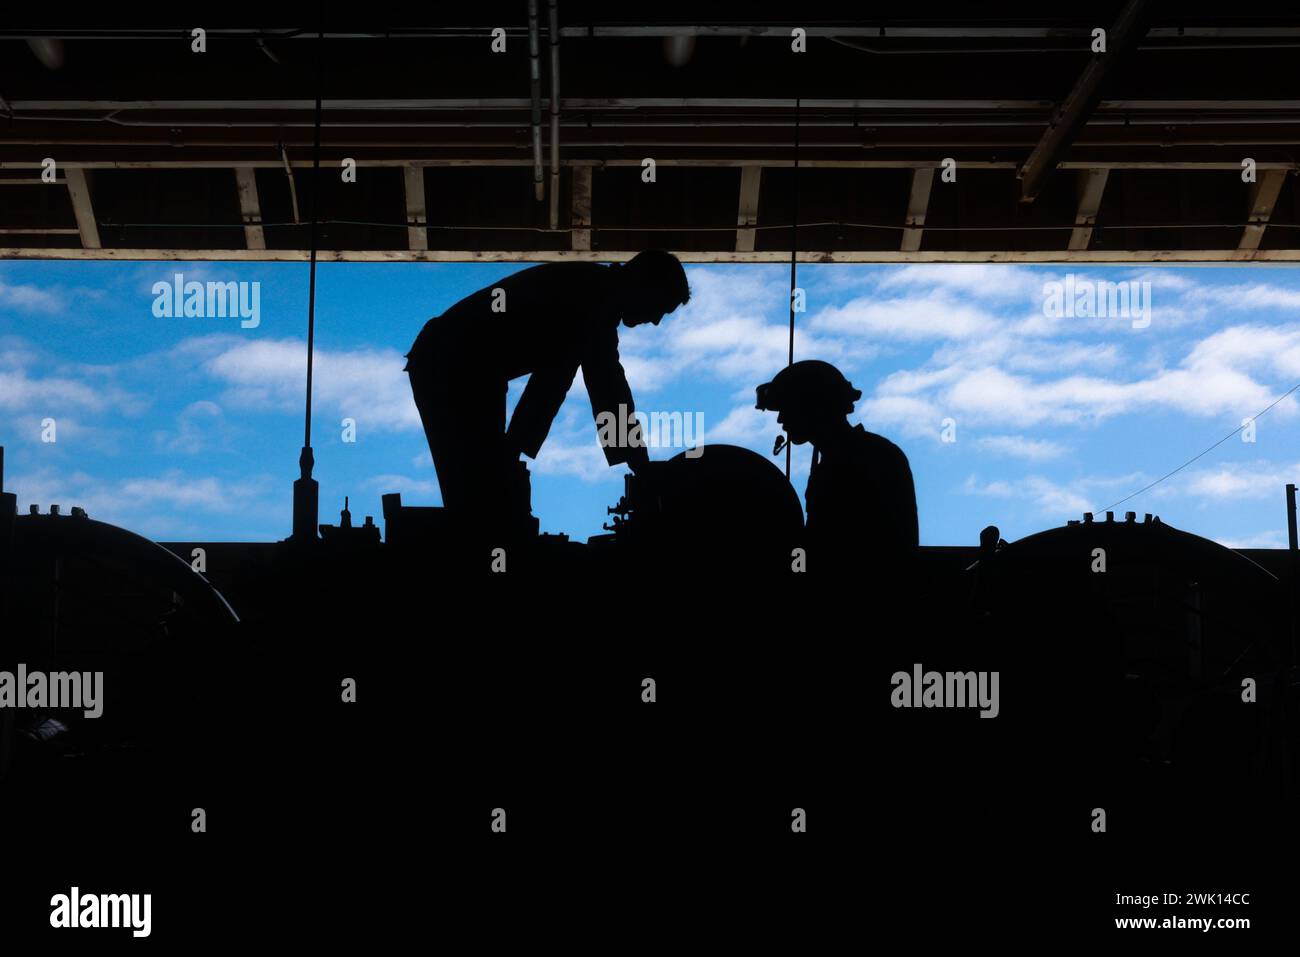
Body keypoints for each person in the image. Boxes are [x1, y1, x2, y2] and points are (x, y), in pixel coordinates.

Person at [404, 251, 690, 535]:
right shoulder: (592, 299)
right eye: (661, 307)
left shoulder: (597, 293)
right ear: (645, 284)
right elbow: (562, 385)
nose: (655, 321)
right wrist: (640, 465)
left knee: (485, 492)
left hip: (463, 369)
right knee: (479, 496)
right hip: (451, 367)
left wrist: (637, 461)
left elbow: (605, 390)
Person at [756, 360, 918, 570]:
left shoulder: (852, 462)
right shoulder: (870, 453)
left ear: (814, 408)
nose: (780, 419)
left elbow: (830, 549)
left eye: (787, 408)